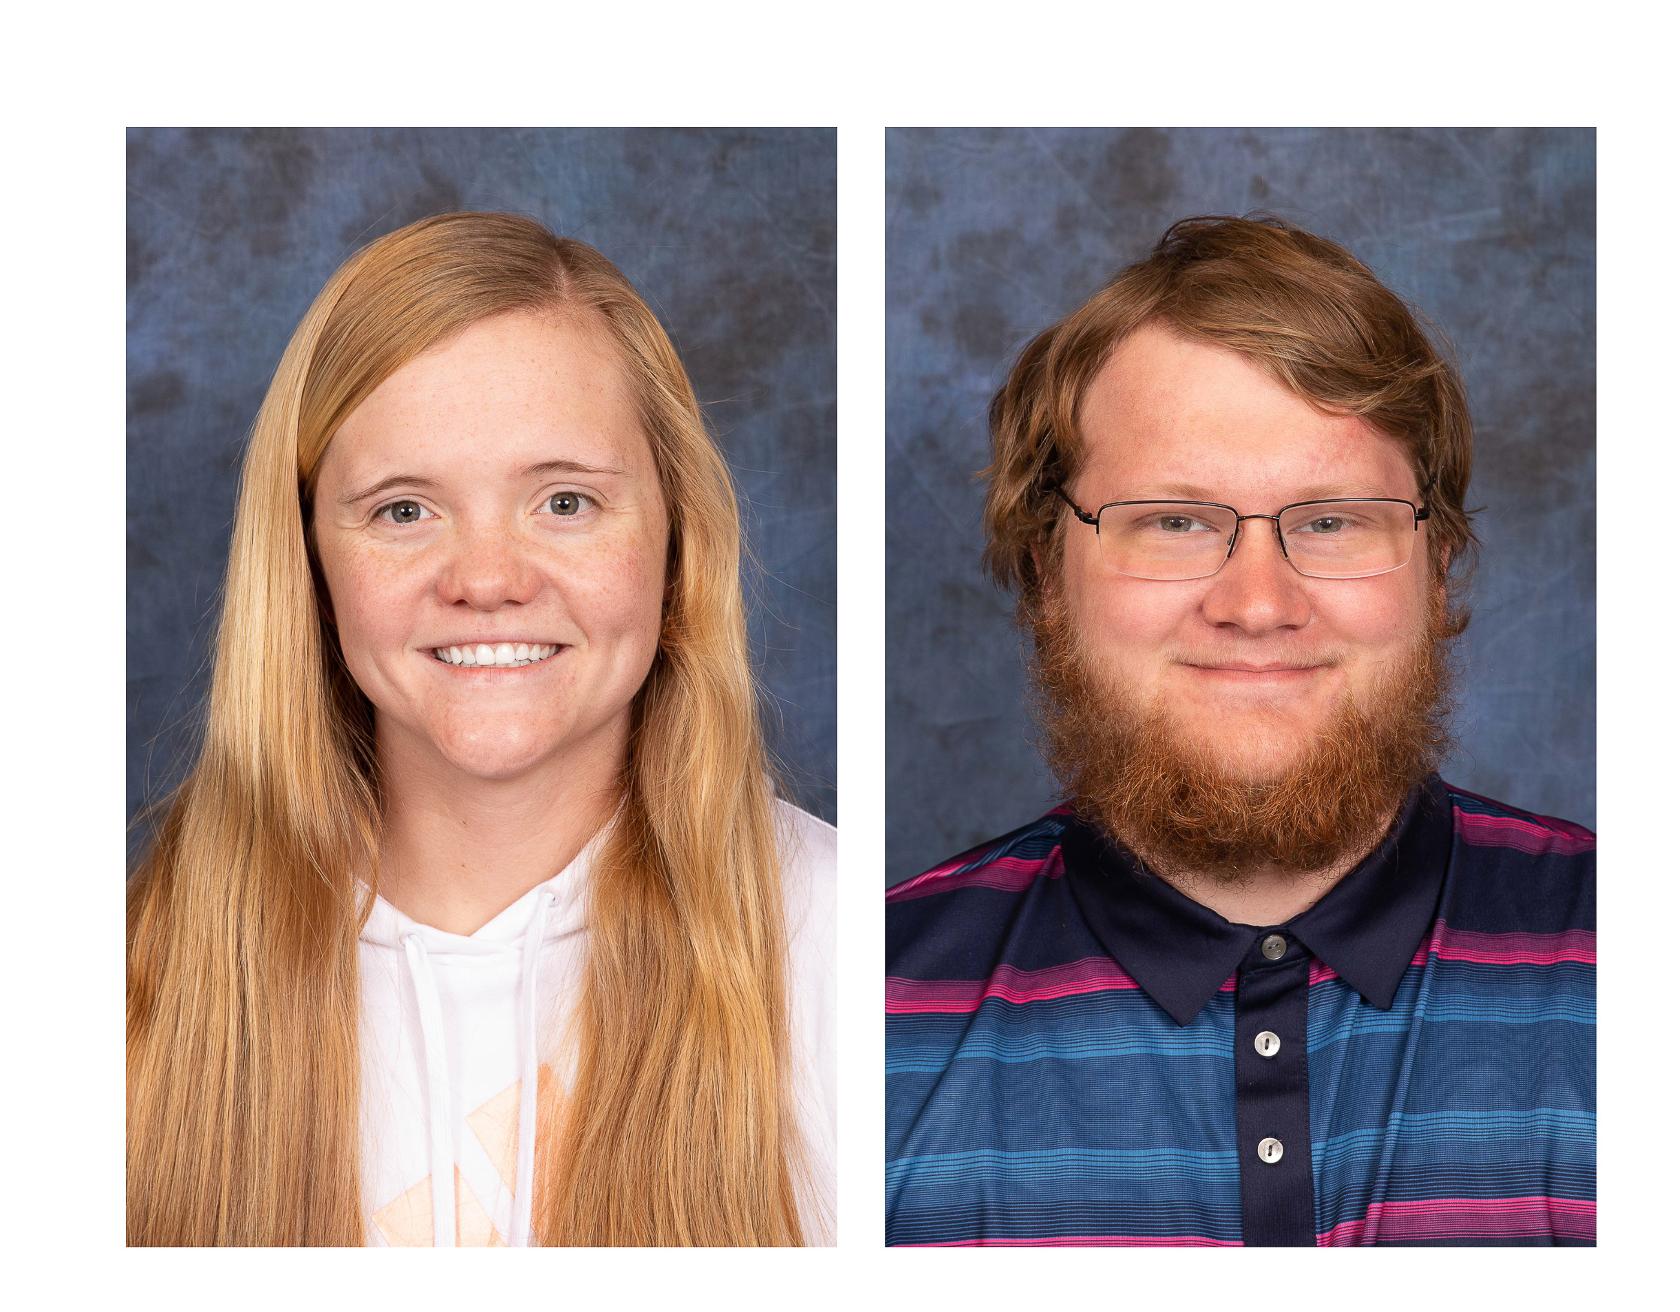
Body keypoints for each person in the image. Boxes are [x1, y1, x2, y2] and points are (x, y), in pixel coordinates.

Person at [128, 212, 835, 1246]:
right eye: (404, 510)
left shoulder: (843, 951)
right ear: (308, 566)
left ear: (676, 540)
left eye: (564, 501)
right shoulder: (133, 987)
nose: (489, 581)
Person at [885, 215, 1593, 1247]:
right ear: (1046, 574)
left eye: (1331, 520)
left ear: (1436, 568)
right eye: (1172, 522)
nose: (1257, 605)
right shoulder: (863, 1014)